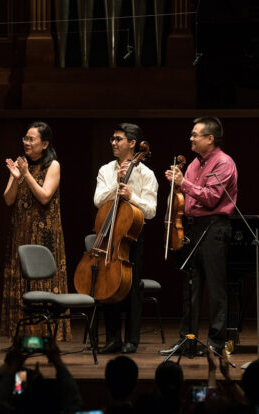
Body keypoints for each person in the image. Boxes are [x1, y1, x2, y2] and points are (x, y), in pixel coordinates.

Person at [160, 116, 237, 356]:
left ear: (210, 138)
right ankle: (187, 340)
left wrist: (184, 183)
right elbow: (188, 199)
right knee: (190, 288)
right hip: (192, 228)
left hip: (214, 228)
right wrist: (177, 186)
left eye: (195, 134)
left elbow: (212, 198)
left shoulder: (224, 163)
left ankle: (216, 342)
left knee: (215, 289)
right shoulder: (194, 164)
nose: (190, 138)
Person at [1, 121, 71, 340]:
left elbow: (44, 196)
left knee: (44, 279)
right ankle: (21, 331)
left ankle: (45, 332)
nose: (26, 143)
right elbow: (8, 199)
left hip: (45, 234)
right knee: (21, 277)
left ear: (45, 143)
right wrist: (15, 177)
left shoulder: (53, 165)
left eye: (31, 139)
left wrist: (26, 175)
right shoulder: (20, 165)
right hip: (21, 231)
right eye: (25, 138)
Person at [94, 123, 158, 354]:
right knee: (109, 285)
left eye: (118, 139)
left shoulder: (147, 175)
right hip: (110, 235)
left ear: (133, 144)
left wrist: (132, 197)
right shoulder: (105, 170)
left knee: (131, 287)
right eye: (112, 139)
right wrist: (115, 183)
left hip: (133, 236)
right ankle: (112, 338)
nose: (113, 142)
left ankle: (132, 339)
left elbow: (150, 210)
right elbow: (99, 201)